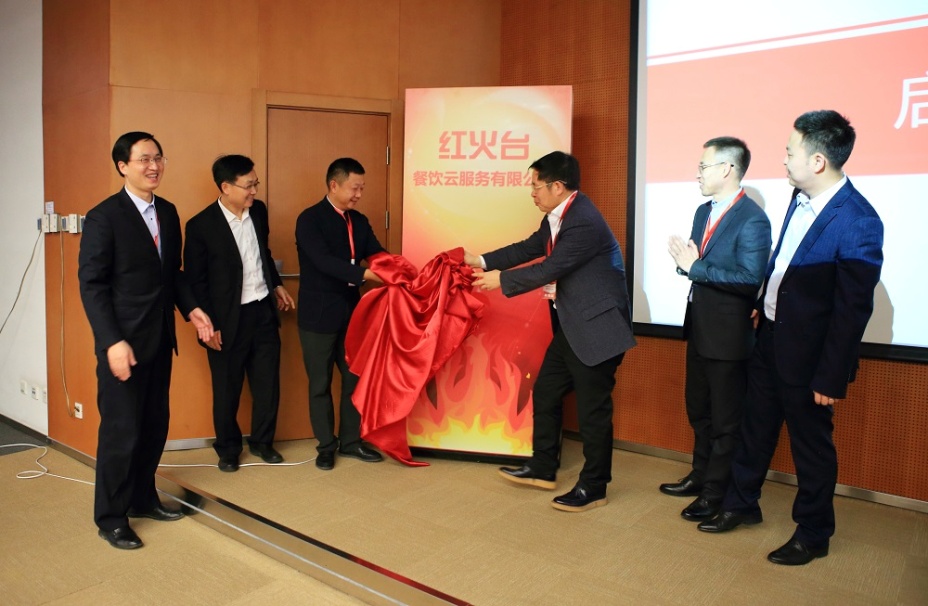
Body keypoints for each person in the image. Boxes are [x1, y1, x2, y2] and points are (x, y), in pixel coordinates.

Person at [697, 111, 884, 566]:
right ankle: (742, 504)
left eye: (789, 152)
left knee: (811, 448)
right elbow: (785, 263)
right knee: (754, 430)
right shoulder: (798, 199)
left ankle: (814, 533)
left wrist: (831, 376)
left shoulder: (858, 220)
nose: (783, 160)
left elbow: (852, 310)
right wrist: (764, 299)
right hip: (770, 338)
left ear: (818, 160)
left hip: (812, 358)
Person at [467, 151, 636, 512]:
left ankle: (595, 487)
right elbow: (530, 248)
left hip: (597, 329)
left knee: (593, 413)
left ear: (558, 186)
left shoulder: (583, 220)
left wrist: (501, 281)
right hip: (573, 326)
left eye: (536, 185)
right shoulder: (558, 216)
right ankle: (543, 467)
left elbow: (551, 267)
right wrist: (480, 260)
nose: (532, 192)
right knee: (546, 391)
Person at [78, 132, 214, 549]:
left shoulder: (168, 212)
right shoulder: (104, 217)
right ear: (123, 166)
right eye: (144, 159)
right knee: (121, 432)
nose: (153, 166)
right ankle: (111, 518)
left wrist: (191, 308)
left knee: (154, 426)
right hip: (123, 343)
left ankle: (142, 497)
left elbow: (172, 274)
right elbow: (93, 285)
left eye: (158, 158)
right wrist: (111, 341)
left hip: (160, 339)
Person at [661, 137, 771, 522]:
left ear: (727, 169)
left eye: (703, 167)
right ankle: (700, 475)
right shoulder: (702, 211)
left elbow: (749, 278)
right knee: (699, 410)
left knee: (726, 420)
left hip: (728, 336)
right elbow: (698, 264)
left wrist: (695, 268)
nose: (697, 174)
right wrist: (686, 266)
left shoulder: (753, 219)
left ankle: (715, 493)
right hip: (699, 326)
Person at [183, 155, 295, 472]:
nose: (254, 191)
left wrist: (276, 285)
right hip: (226, 320)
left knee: (267, 385)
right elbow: (195, 282)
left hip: (262, 312)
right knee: (227, 390)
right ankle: (228, 449)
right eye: (248, 186)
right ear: (226, 187)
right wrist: (209, 325)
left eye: (255, 184)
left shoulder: (258, 212)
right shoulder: (201, 226)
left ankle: (262, 443)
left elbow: (263, 254)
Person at [295, 158, 385, 470]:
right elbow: (323, 261)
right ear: (334, 185)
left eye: (362, 188)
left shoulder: (358, 220)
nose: (359, 194)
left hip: (352, 314)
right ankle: (325, 446)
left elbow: (377, 253)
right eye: (354, 188)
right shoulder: (310, 219)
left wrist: (396, 269)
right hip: (317, 316)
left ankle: (351, 441)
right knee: (320, 383)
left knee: (354, 379)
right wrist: (366, 274)